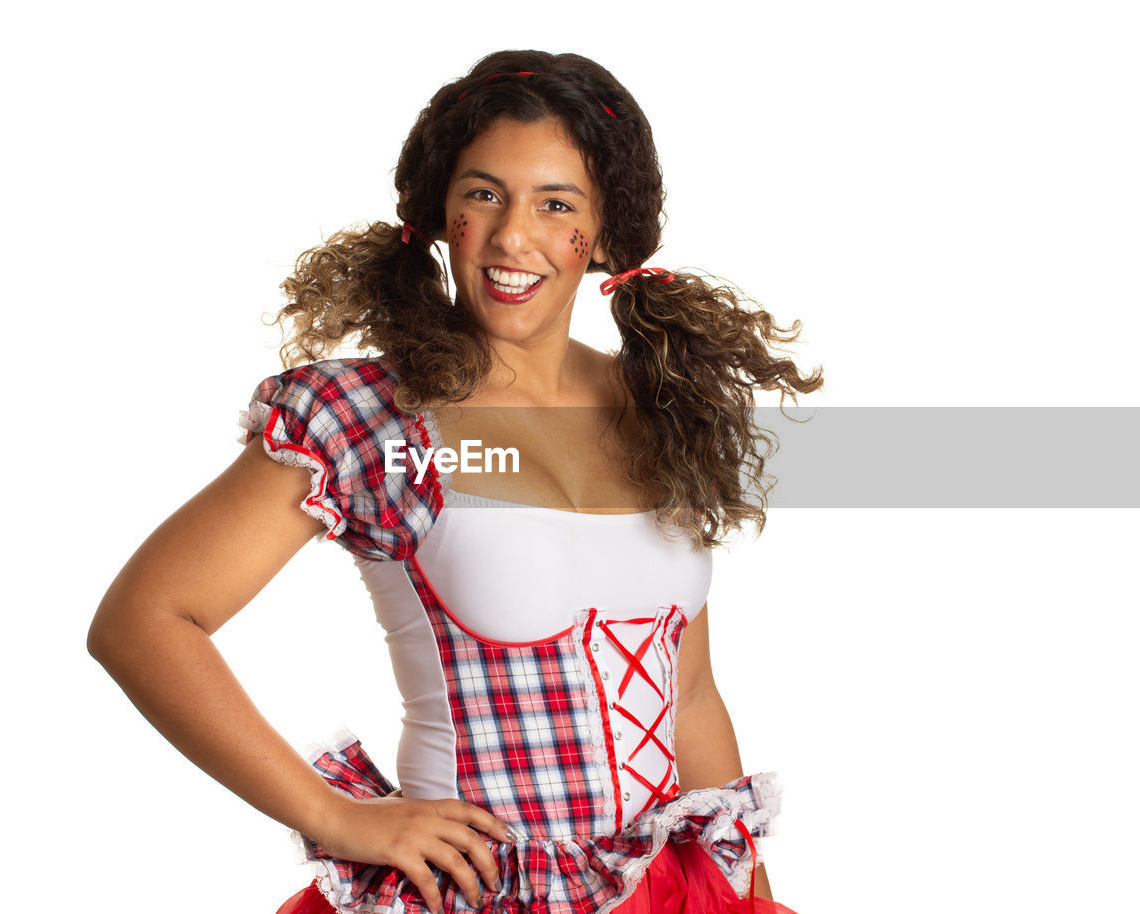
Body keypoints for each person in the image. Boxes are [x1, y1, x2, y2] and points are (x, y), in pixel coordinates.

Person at [89, 49, 821, 914]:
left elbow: (690, 699)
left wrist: (753, 899)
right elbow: (144, 622)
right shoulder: (379, 419)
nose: (514, 237)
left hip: (662, 892)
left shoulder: (658, 406)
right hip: (475, 893)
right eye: (484, 194)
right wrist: (336, 817)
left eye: (557, 204)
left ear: (607, 232)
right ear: (441, 211)